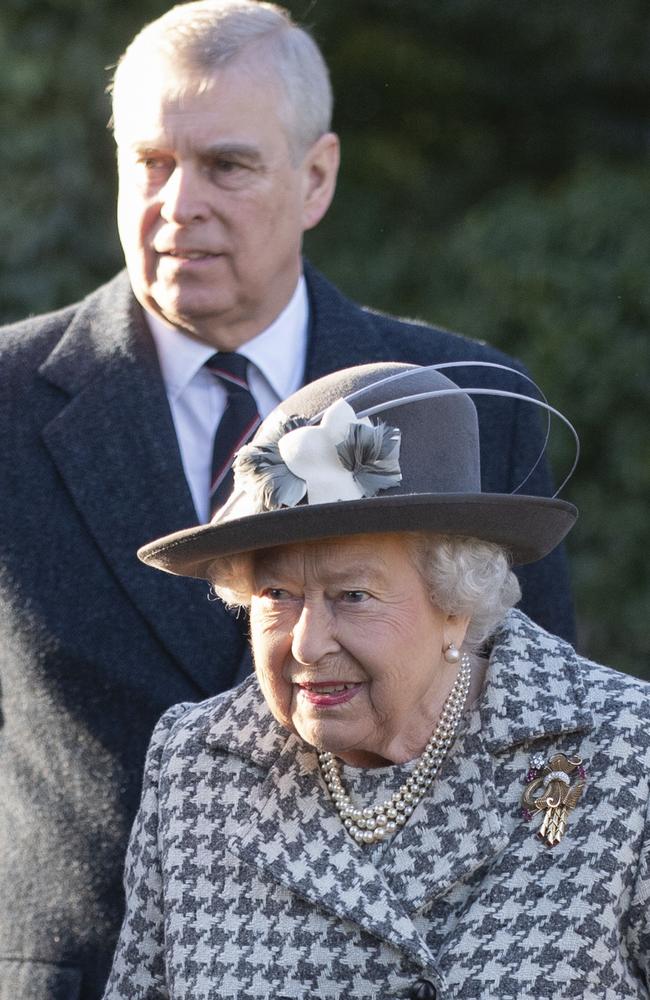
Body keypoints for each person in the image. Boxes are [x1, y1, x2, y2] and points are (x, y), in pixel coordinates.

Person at [0, 2, 575, 997]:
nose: (179, 203)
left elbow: (539, 733)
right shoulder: (7, 399)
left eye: (225, 165)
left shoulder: (467, 400)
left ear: (315, 178)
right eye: (150, 163)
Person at [103, 362, 649, 1000]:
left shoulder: (624, 752)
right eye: (277, 593)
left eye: (352, 595)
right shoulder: (195, 766)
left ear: (455, 601)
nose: (307, 642)